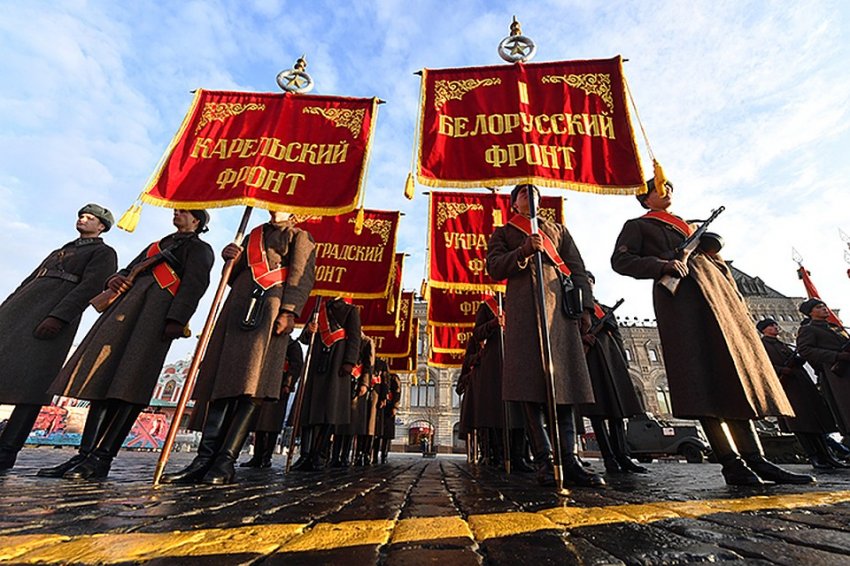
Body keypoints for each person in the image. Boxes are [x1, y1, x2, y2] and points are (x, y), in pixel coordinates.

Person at [611, 177, 813, 485]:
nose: (667, 192)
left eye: (669, 187)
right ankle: (731, 463)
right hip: (685, 307)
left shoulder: (689, 225)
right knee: (702, 379)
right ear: (645, 198)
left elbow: (717, 266)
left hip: (719, 305)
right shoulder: (639, 226)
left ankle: (757, 460)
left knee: (731, 378)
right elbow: (622, 261)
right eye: (658, 189)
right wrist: (662, 266)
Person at [42, 209, 213, 480]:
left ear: (197, 221)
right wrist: (116, 279)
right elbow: (126, 270)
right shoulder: (157, 245)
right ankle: (84, 455)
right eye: (176, 210)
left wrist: (177, 318)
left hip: (155, 316)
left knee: (129, 386)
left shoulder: (200, 250)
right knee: (102, 382)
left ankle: (102, 458)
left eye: (183, 212)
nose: (177, 214)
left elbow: (194, 286)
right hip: (124, 311)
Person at [163, 210, 315, 485]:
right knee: (222, 382)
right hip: (238, 305)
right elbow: (233, 277)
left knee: (251, 386)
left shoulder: (299, 236)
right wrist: (230, 259)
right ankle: (203, 459)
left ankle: (225, 461)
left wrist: (289, 311)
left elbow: (301, 277)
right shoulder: (253, 234)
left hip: (271, 307)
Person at [487, 184, 605, 489]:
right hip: (525, 313)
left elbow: (577, 269)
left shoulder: (558, 230)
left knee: (564, 385)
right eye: (523, 192)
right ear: (514, 203)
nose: (530, 195)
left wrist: (586, 309)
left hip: (560, 314)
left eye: (533, 191)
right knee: (530, 388)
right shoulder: (504, 233)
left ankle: (570, 459)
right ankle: (544, 459)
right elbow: (495, 267)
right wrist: (524, 251)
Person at [0, 204, 117, 470]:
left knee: (33, 384)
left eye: (90, 218)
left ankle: (7, 449)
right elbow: (29, 281)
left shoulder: (103, 252)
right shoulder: (61, 250)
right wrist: (7, 307)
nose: (82, 219)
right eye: (81, 216)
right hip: (20, 312)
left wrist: (60, 316)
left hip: (51, 313)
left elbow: (90, 286)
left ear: (101, 227)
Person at [580, 272, 648, 474]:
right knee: (597, 413)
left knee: (617, 413)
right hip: (591, 362)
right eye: (585, 282)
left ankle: (623, 456)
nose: (589, 285)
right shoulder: (575, 309)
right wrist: (583, 339)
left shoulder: (606, 311)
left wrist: (623, 364)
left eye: (591, 281)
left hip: (611, 362)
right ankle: (609, 457)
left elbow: (618, 338)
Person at [757, 317, 843, 469]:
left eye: (775, 325)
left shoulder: (782, 344)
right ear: (764, 330)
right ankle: (814, 456)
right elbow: (763, 365)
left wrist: (798, 361)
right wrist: (781, 370)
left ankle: (827, 456)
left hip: (801, 384)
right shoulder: (763, 346)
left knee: (815, 423)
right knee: (800, 425)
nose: (775, 327)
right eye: (771, 326)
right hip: (788, 388)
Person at [290, 297, 362, 472]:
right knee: (309, 411)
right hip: (315, 362)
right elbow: (304, 339)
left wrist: (349, 362)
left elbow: (354, 339)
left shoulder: (350, 310)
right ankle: (305, 454)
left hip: (337, 364)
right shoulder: (318, 307)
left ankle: (319, 455)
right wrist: (308, 330)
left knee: (330, 411)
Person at [471, 297, 531, 472]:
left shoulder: (522, 301)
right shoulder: (488, 306)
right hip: (496, 362)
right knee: (497, 411)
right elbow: (477, 334)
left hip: (520, 358)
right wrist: (493, 324)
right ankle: (498, 454)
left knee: (520, 408)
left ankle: (519, 456)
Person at [240, 337, 304, 468]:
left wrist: (288, 383)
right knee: (259, 424)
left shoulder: (293, 345)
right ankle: (257, 456)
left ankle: (266, 456)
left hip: (280, 387)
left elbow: (296, 366)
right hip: (263, 385)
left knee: (272, 425)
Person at [796, 299, 850, 439]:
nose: (824, 309)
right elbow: (805, 350)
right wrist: (836, 356)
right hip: (837, 374)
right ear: (810, 313)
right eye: (819, 307)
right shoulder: (808, 329)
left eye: (824, 306)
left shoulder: (834, 328)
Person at [331, 333, 374, 468]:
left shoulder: (367, 341)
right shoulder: (343, 336)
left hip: (356, 384)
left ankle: (344, 456)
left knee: (350, 423)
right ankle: (334, 456)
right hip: (341, 380)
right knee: (337, 423)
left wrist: (364, 384)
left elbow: (368, 365)